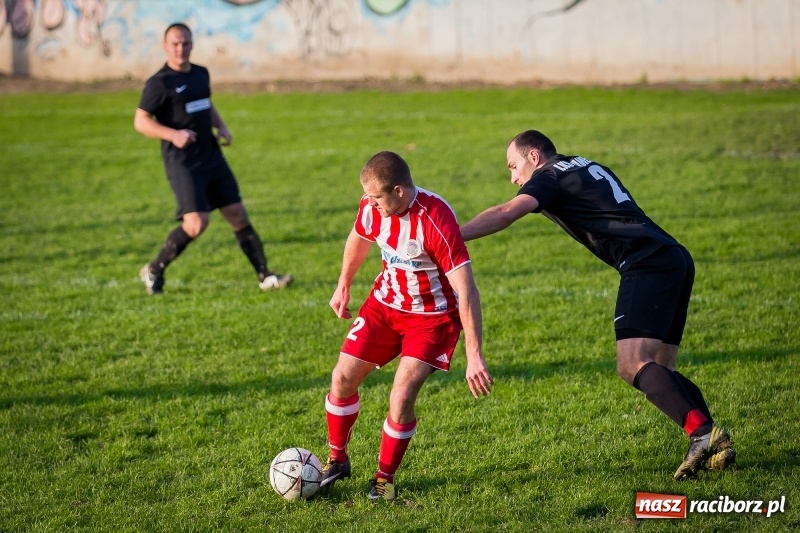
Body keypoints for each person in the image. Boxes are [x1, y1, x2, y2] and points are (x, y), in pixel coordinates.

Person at [460, 130, 735, 480]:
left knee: (632, 364)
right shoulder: (582, 164)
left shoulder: (548, 177)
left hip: (645, 263)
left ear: (533, 157)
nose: (514, 178)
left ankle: (701, 433)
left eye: (514, 166)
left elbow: (505, 212)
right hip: (673, 257)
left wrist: (452, 234)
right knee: (662, 367)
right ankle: (713, 439)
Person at [319, 151, 493, 501]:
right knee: (341, 378)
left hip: (431, 321)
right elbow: (359, 236)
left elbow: (467, 289)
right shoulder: (373, 207)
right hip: (384, 307)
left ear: (398, 191)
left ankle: (384, 480)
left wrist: (474, 355)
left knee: (400, 396)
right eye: (367, 197)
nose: (370, 204)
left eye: (376, 198)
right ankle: (337, 460)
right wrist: (344, 283)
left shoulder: (436, 218)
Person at [133, 22, 292, 295]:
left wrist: (222, 126)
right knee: (196, 223)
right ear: (165, 46)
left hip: (211, 156)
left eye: (185, 43)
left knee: (237, 214)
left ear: (192, 44)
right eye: (175, 44)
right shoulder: (159, 83)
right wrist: (173, 134)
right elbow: (140, 121)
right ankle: (154, 269)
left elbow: (206, 103)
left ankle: (265, 275)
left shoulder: (200, 73)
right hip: (183, 163)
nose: (181, 48)